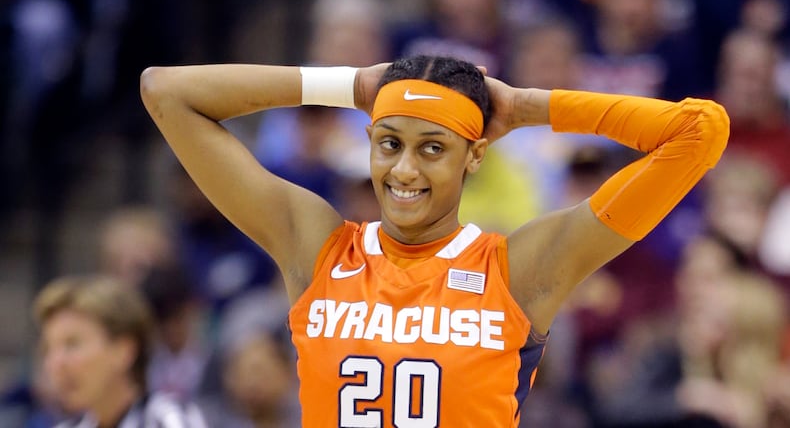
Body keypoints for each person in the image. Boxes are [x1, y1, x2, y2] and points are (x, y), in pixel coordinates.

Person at [140, 53, 729, 426]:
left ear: (474, 155)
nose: (404, 171)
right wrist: (353, 84)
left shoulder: (518, 269)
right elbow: (166, 91)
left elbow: (699, 131)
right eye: (389, 143)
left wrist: (525, 107)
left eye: (433, 149)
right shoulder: (315, 245)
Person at [34, 275, 207, 427]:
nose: (56, 363)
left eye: (73, 344)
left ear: (124, 350)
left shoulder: (170, 420)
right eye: (48, 349)